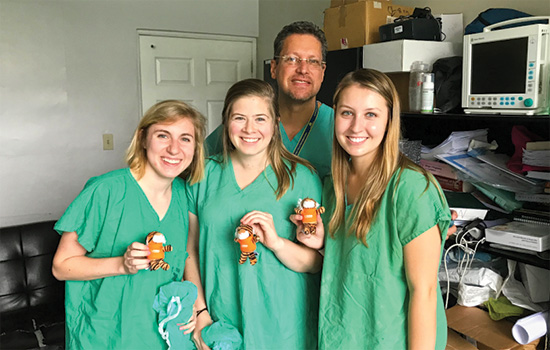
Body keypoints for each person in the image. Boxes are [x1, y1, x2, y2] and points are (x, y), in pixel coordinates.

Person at [295, 69, 451, 350]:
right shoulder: (333, 187)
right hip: (343, 335)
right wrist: (322, 241)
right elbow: (355, 263)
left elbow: (424, 292)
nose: (356, 127)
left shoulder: (411, 188)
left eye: (371, 115)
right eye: (346, 113)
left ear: (390, 120)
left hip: (391, 340)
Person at [52, 100, 207, 349]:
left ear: (196, 148)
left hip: (164, 331)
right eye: (163, 135)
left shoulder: (184, 195)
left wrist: (197, 309)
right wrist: (122, 265)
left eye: (185, 139)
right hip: (105, 333)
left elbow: (187, 257)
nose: (174, 149)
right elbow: (61, 267)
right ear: (143, 138)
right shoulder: (105, 191)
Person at [186, 78, 323, 350]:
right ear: (226, 122)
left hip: (284, 326)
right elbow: (188, 251)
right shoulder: (202, 176)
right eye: (239, 118)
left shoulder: (303, 178)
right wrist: (200, 313)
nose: (250, 129)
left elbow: (316, 263)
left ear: (276, 123)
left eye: (260, 118)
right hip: (219, 319)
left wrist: (277, 244)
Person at [206, 21, 334, 179]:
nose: (303, 69)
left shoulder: (340, 126)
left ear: (323, 72)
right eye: (292, 59)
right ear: (274, 68)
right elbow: (192, 164)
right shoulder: (245, 126)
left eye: (313, 61)